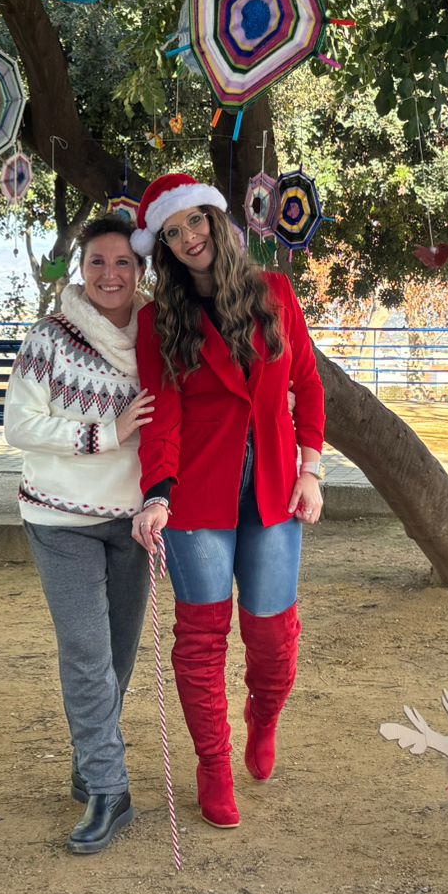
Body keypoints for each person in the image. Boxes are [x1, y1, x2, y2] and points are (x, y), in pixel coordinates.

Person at [127, 172, 326, 829]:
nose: (188, 238)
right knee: (201, 639)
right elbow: (162, 414)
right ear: (163, 246)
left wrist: (311, 470)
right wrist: (157, 494)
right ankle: (213, 763)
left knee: (272, 635)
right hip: (197, 495)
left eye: (194, 221)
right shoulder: (159, 320)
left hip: (274, 489)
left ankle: (263, 718)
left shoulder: (276, 294)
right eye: (172, 232)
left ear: (214, 219)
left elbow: (307, 384)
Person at [3, 219, 156, 854]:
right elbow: (19, 424)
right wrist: (105, 432)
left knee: (117, 657)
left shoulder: (160, 335)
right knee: (87, 653)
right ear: (81, 268)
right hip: (60, 518)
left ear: (141, 270)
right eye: (97, 261)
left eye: (123, 262)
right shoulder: (50, 338)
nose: (110, 275)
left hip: (136, 519)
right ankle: (109, 789)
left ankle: (91, 759)